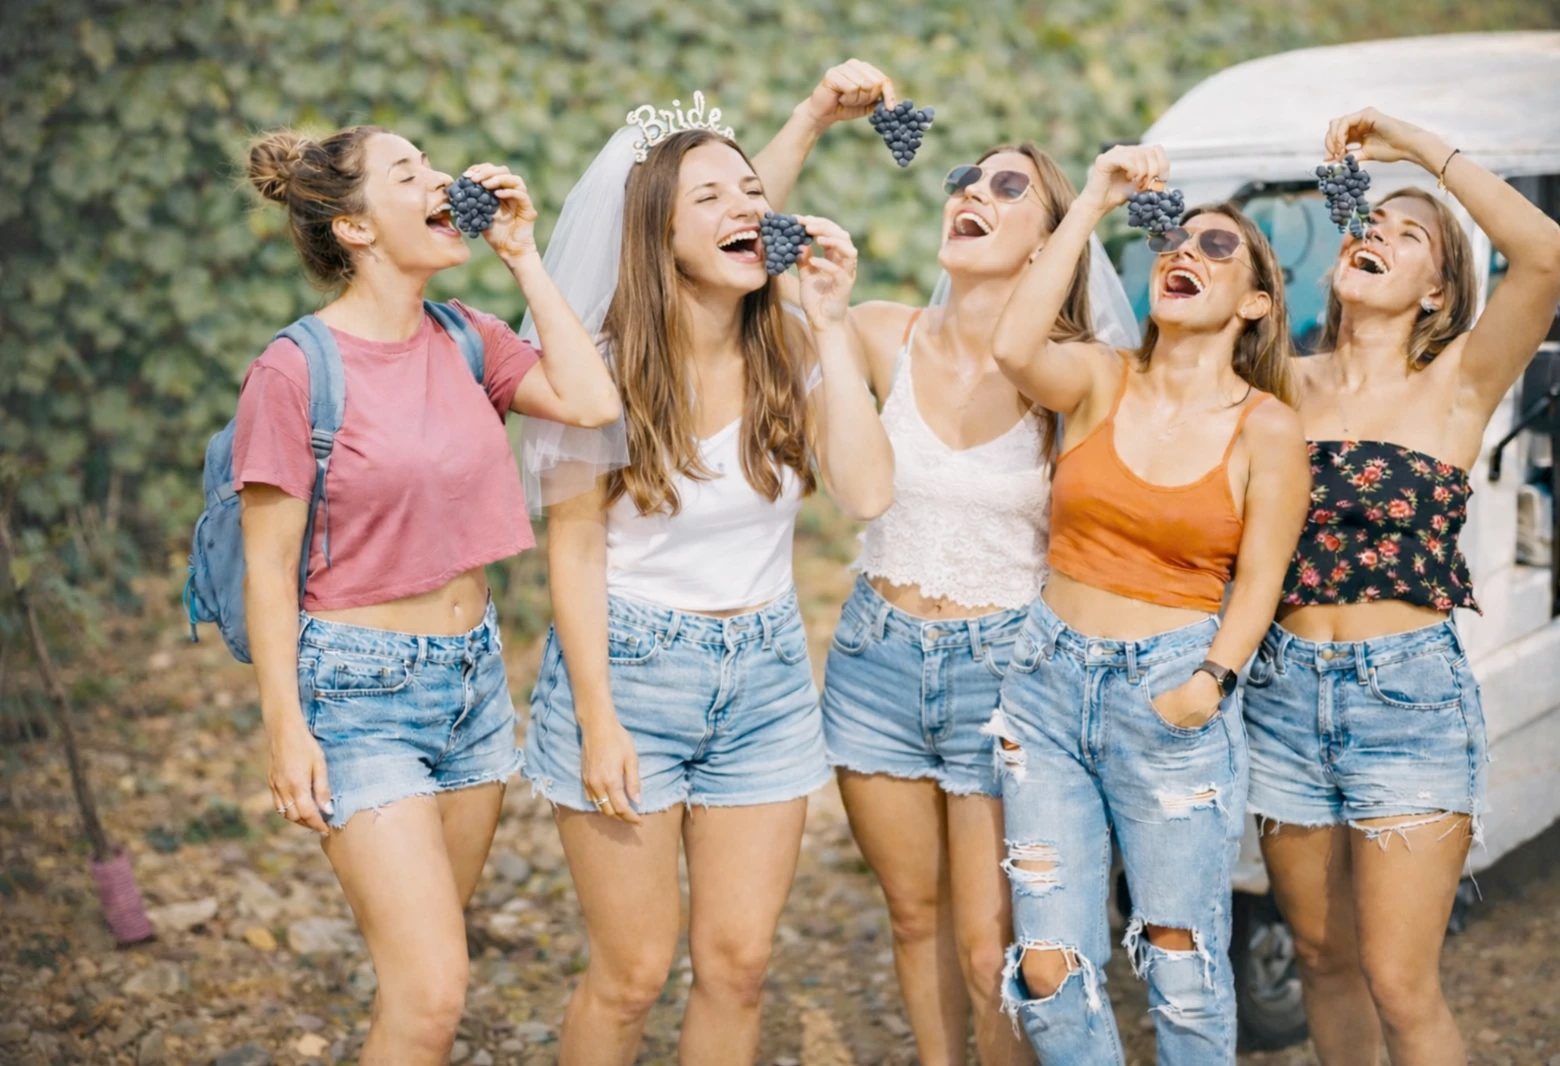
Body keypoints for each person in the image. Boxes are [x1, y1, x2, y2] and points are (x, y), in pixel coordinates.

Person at [753, 60, 1139, 1066]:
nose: (973, 190)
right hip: (874, 662)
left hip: (1006, 674)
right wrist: (814, 115)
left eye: (1009, 187)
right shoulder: (883, 332)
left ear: (1052, 242)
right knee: (912, 918)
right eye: (967, 176)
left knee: (986, 943)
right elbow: (745, 242)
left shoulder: (1070, 376)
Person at [236, 125, 619, 1066]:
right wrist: (285, 727)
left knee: (424, 979)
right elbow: (267, 569)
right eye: (409, 173)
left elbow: (592, 402)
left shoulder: (466, 336)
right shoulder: (295, 370)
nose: (442, 181)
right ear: (357, 227)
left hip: (473, 687)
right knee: (432, 992)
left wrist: (524, 256)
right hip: (356, 695)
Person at [524, 114, 893, 1065]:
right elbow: (575, 547)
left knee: (739, 967)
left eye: (753, 192)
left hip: (766, 681)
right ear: (661, 233)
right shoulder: (602, 367)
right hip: (628, 670)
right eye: (712, 196)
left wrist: (832, 323)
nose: (746, 207)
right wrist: (597, 719)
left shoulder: (794, 348)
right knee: (632, 973)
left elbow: (867, 493)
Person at [1246, 108, 1560, 1066]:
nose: (1376, 233)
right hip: (1280, 694)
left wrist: (1419, 147)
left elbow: (1545, 254)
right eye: (1368, 222)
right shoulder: (1277, 382)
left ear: (1439, 290)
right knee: (1323, 960)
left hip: (1408, 699)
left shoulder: (1459, 381)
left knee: (1400, 981)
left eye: (1410, 234)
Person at [987, 144, 1311, 1065]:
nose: (1186, 253)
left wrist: (1209, 684)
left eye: (1217, 247)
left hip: (1171, 692)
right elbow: (1013, 347)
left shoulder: (1267, 427)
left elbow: (1262, 579)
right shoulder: (1101, 377)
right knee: (1047, 966)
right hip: (1046, 689)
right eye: (1176, 241)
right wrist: (1093, 196)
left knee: (1181, 959)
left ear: (1256, 303)